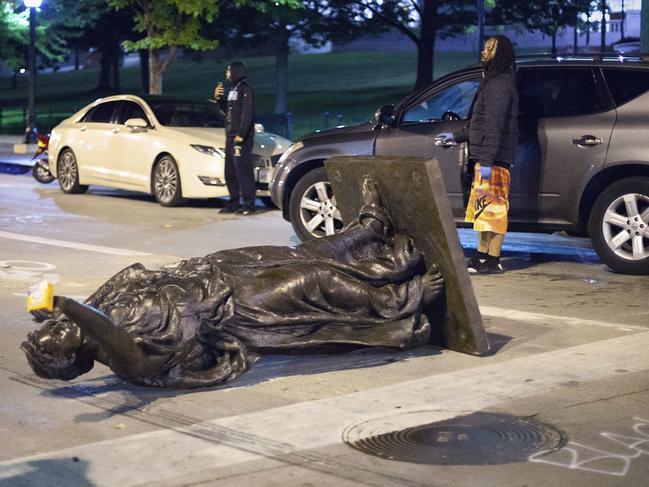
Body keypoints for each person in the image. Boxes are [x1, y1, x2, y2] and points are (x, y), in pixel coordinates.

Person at [22, 179, 445, 389]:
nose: (57, 326)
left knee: (299, 256)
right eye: (55, 336)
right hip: (231, 312)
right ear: (71, 355)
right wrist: (63, 303)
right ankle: (401, 300)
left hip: (208, 274)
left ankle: (370, 230)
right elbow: (104, 327)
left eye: (50, 326)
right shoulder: (127, 363)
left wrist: (73, 307)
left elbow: (126, 277)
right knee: (311, 281)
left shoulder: (96, 309)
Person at [436, 35, 518, 274]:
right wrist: (455, 137)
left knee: (494, 212)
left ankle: (492, 261)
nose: (483, 52)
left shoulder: (500, 84)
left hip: (493, 159)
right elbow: (479, 124)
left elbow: (495, 126)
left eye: (489, 49)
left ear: (500, 54)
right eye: (484, 47)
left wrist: (487, 161)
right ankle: (482, 258)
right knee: (484, 211)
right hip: (486, 157)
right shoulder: (493, 82)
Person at [214, 61, 256, 216]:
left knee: (243, 171)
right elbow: (229, 111)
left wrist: (242, 134)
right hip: (230, 135)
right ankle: (233, 202)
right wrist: (219, 100)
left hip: (241, 138)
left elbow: (247, 113)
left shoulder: (246, 89)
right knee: (230, 171)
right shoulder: (232, 89)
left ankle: (248, 204)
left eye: (228, 70)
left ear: (236, 71)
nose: (227, 73)